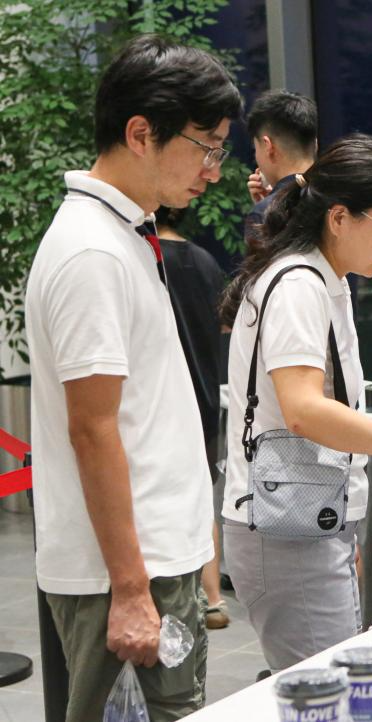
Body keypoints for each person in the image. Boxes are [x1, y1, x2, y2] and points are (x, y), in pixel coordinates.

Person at [25, 35, 242, 721]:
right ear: (142, 133)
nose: (213, 172)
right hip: (125, 574)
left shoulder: (125, 234)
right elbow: (92, 429)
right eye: (206, 147)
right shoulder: (91, 251)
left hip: (153, 561)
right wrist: (128, 589)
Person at [219, 133, 372, 671]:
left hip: (305, 515)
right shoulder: (299, 285)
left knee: (331, 686)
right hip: (285, 527)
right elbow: (304, 411)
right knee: (332, 692)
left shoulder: (322, 278)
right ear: (339, 217)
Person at [155, 205, 230, 630]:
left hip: (163, 400)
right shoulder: (204, 261)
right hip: (205, 394)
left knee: (162, 500)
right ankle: (214, 599)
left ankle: (174, 597)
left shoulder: (144, 255)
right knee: (202, 499)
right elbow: (224, 324)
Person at [243, 89, 318, 249]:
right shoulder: (339, 197)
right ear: (315, 145)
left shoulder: (264, 215)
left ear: (268, 146)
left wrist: (268, 207)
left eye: (256, 149)